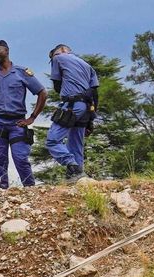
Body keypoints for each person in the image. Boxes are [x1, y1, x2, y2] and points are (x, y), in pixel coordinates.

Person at [0, 40, 47, 189]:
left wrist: (32, 117)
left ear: (6, 50)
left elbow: (42, 93)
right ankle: (2, 191)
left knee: (21, 158)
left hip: (17, 123)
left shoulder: (21, 73)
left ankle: (30, 189)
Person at [46, 44, 98, 182]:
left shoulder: (58, 58)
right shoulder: (88, 66)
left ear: (60, 51)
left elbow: (57, 86)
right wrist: (91, 120)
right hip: (86, 107)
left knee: (52, 140)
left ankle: (72, 167)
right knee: (76, 144)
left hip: (71, 105)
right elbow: (95, 93)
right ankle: (78, 180)